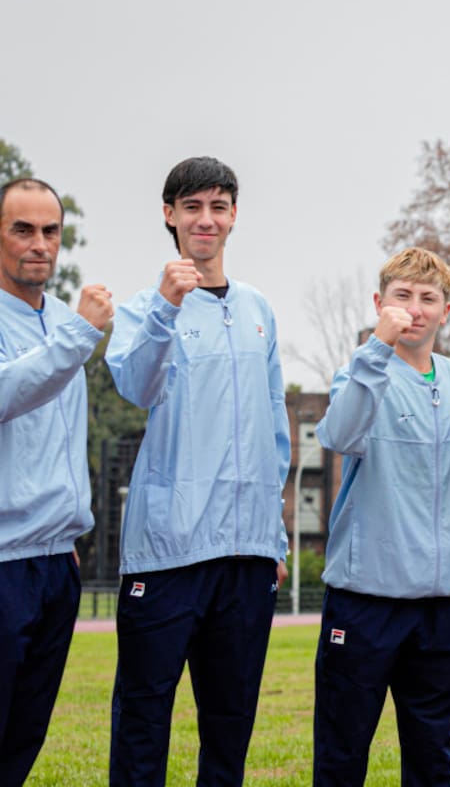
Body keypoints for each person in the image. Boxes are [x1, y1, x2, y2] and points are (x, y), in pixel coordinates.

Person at [105, 157, 290, 785]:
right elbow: (136, 384)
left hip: (246, 555)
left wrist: (277, 535)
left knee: (231, 722)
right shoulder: (142, 308)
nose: (205, 219)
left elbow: (274, 426)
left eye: (217, 206)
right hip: (168, 553)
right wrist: (166, 306)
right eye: (192, 207)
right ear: (169, 216)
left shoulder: (260, 307)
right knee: (144, 717)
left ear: (234, 215)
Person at [312, 246, 450, 785]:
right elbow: (338, 435)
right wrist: (375, 350)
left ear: (446, 311)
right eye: (403, 296)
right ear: (380, 302)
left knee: (433, 752)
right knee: (342, 750)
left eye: (429, 298)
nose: (416, 308)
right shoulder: (358, 373)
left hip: (445, 606)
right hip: (366, 600)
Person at [0, 178, 113, 783]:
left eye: (50, 231)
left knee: (26, 732)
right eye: (23, 229)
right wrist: (78, 336)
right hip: (2, 562)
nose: (39, 244)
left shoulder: (66, 325)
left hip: (54, 563)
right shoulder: (73, 332)